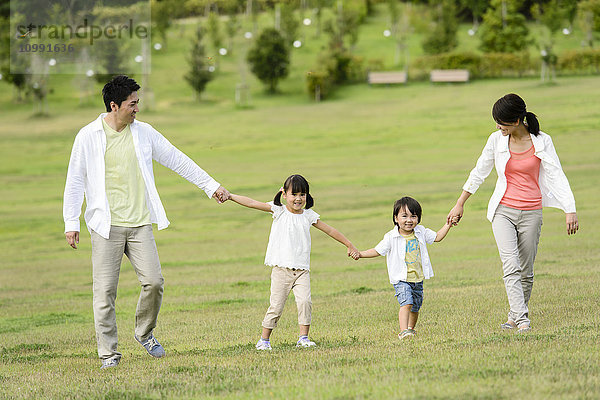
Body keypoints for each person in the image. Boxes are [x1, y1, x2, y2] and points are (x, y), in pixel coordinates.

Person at [63, 75, 229, 369]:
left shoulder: (144, 133)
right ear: (114, 105)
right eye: (132, 104)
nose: (137, 108)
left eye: (137, 103)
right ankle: (109, 354)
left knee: (154, 282)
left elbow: (178, 159)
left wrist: (211, 185)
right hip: (106, 226)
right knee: (104, 293)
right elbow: (75, 180)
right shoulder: (87, 136)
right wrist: (71, 221)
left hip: (140, 223)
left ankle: (144, 332)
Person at [446, 93, 578, 333]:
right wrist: (460, 203)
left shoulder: (542, 141)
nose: (498, 127)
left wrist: (570, 210)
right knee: (511, 265)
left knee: (526, 270)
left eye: (501, 122)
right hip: (503, 211)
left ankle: (513, 317)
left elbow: (557, 174)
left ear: (517, 120)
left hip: (532, 212)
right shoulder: (496, 140)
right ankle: (523, 319)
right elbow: (479, 171)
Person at [225, 174, 359, 350]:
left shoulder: (308, 216)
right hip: (281, 270)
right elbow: (251, 202)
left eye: (302, 194)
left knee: (305, 302)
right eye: (294, 194)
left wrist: (349, 244)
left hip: (302, 271)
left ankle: (303, 338)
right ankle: (264, 341)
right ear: (284, 194)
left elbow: (330, 230)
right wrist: (230, 196)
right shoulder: (278, 210)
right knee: (276, 307)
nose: (298, 199)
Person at [354, 197, 452, 339]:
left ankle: (411, 329)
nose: (409, 220)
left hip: (417, 278)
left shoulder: (420, 232)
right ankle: (403, 331)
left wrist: (448, 224)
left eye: (413, 216)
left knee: (416, 307)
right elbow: (377, 250)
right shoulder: (391, 237)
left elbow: (437, 237)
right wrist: (360, 254)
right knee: (407, 302)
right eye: (404, 216)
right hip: (401, 278)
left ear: (418, 218)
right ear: (396, 218)